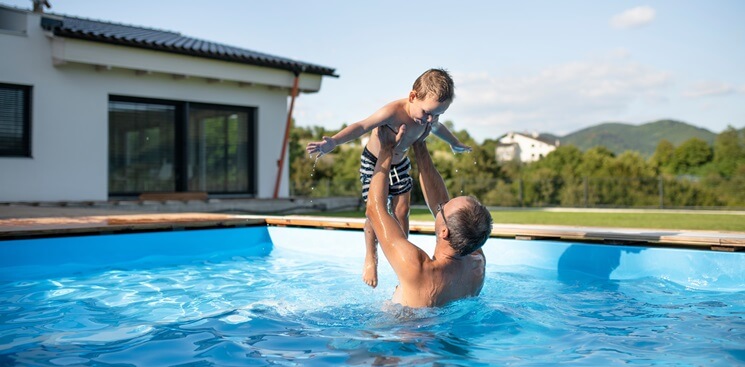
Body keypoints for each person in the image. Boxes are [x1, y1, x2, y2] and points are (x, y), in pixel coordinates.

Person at [306, 68, 471, 288]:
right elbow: (362, 126)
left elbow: (439, 129)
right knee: (376, 211)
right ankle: (370, 258)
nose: (430, 119)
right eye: (427, 112)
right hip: (375, 164)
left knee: (402, 210)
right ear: (413, 96)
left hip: (400, 163)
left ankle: (402, 255)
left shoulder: (427, 118)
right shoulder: (393, 112)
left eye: (437, 114)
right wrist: (334, 142)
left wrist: (455, 143)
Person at [366, 125, 493, 308]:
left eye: (442, 209)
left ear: (444, 232)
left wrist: (386, 149)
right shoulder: (476, 261)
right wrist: (419, 143)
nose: (440, 205)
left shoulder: (418, 269)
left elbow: (375, 208)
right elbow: (439, 200)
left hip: (403, 329)